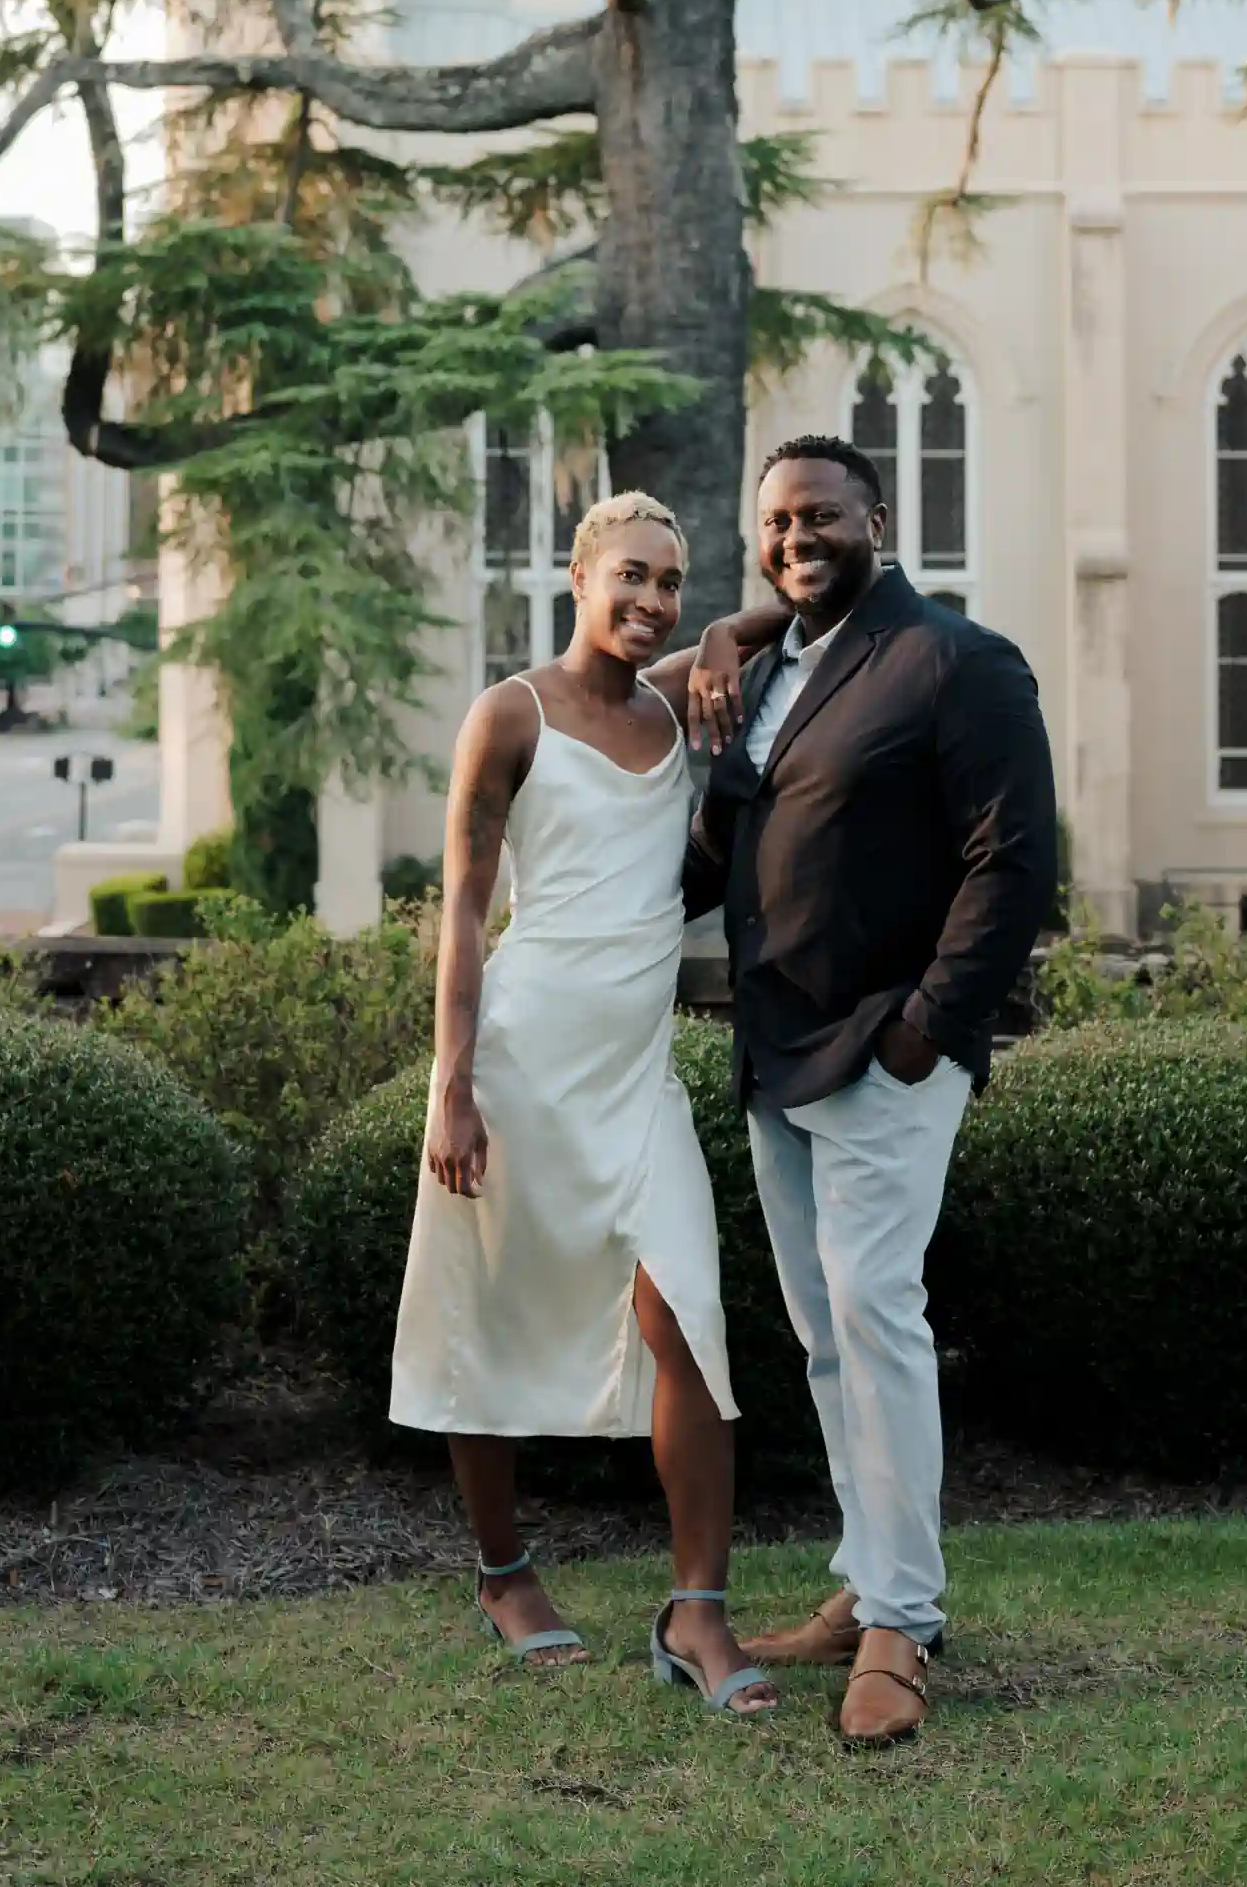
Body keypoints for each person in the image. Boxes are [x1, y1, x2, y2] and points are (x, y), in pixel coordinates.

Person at [681, 433, 1058, 1749]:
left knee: (877, 1310)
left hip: (882, 1044)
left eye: (823, 516)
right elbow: (726, 839)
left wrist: (926, 1025)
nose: (798, 538)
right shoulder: (770, 665)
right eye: (778, 520)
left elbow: (1014, 863)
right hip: (774, 1043)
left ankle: (905, 1621)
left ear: (878, 518)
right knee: (824, 1328)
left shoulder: (958, 659)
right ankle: (866, 1577)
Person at [389, 492, 782, 1715]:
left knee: (689, 1326)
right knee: (487, 1316)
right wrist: (451, 1088)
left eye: (669, 583)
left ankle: (698, 1615)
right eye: (631, 575)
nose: (650, 601)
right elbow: (460, 906)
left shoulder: (668, 697)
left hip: (634, 1079)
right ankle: (504, 1572)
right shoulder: (510, 714)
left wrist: (722, 635)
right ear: (577, 574)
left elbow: (801, 608)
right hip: (518, 1066)